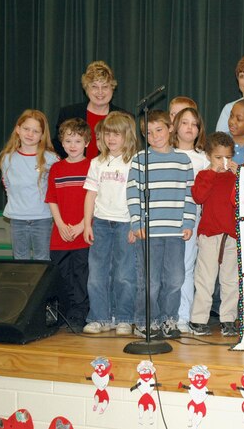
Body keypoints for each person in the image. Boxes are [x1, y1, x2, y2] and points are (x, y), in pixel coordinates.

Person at [127, 110, 196, 339]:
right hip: (149, 232)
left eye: (159, 130)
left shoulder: (183, 161)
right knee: (150, 282)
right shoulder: (139, 159)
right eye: (148, 132)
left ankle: (169, 320)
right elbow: (133, 194)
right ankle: (147, 321)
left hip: (175, 232)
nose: (154, 136)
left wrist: (188, 221)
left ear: (170, 128)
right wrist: (136, 223)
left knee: (175, 279)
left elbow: (189, 194)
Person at [82, 111, 139, 335]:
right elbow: (90, 195)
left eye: (117, 134)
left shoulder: (136, 162)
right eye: (108, 134)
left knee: (125, 273)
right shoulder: (97, 163)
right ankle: (99, 318)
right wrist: (87, 224)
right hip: (102, 224)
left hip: (126, 223)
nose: (111, 139)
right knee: (97, 273)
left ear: (128, 136)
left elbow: (141, 196)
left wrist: (136, 224)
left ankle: (124, 317)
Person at [189, 132, 239, 337]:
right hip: (210, 233)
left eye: (227, 157)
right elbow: (198, 197)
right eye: (218, 157)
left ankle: (228, 319)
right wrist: (211, 172)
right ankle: (198, 319)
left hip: (232, 235)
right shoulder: (203, 175)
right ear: (209, 156)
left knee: (231, 280)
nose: (223, 162)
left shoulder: (236, 176)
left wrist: (241, 174)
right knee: (205, 279)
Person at [45, 118, 92, 332]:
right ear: (61, 144)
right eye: (68, 140)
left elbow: (95, 200)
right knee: (61, 276)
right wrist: (61, 224)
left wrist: (83, 224)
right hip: (60, 234)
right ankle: (62, 314)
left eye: (78, 140)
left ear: (87, 143)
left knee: (81, 276)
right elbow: (52, 199)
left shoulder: (92, 166)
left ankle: (80, 314)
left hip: (83, 233)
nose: (73, 145)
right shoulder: (56, 168)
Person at [0, 109, 58, 260]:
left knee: (42, 259)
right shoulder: (7, 158)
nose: (30, 134)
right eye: (26, 129)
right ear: (18, 129)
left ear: (42, 135)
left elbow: (55, 191)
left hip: (42, 218)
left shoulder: (51, 159)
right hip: (17, 219)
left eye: (36, 131)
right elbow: (8, 186)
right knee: (20, 260)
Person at [171, 105, 210, 333]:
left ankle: (182, 316)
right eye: (185, 122)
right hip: (165, 220)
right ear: (175, 126)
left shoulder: (203, 159)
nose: (189, 128)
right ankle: (162, 315)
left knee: (186, 268)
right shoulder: (164, 154)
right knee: (164, 269)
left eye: (194, 124)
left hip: (191, 221)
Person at [55, 61, 127, 160]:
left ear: (112, 88)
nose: (100, 92)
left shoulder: (125, 117)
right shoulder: (68, 114)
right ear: (86, 89)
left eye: (105, 86)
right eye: (94, 86)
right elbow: (58, 148)